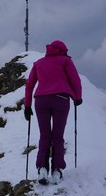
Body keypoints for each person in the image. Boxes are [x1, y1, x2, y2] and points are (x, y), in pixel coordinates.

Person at [24, 40, 82, 184]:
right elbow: (75, 80)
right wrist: (78, 97)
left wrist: (27, 106)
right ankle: (57, 170)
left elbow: (29, 85)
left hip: (41, 101)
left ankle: (42, 169)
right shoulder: (65, 61)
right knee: (57, 136)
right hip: (60, 100)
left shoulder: (38, 63)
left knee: (45, 135)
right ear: (62, 50)